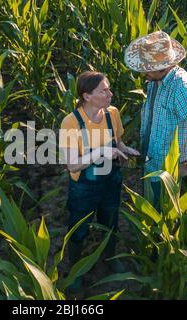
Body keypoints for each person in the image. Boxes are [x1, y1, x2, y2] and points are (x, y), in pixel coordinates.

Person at [59, 71, 140, 292]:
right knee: (79, 228)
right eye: (103, 91)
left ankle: (110, 257)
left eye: (109, 88)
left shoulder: (112, 113)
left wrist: (125, 150)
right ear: (86, 96)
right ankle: (75, 269)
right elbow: (72, 165)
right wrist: (102, 152)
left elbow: (118, 141)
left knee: (110, 219)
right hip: (84, 187)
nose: (110, 94)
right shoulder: (71, 123)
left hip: (111, 180)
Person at [124, 31, 187, 209]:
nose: (142, 71)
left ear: (163, 67)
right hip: (152, 166)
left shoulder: (181, 89)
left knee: (161, 224)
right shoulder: (156, 80)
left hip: (168, 177)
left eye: (147, 67)